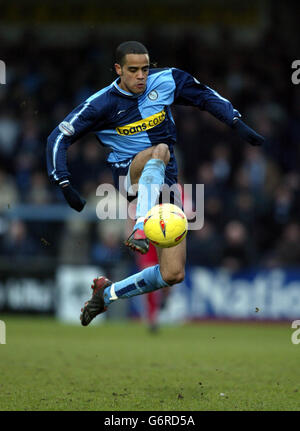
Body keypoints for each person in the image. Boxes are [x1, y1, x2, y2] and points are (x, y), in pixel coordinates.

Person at [46, 41, 265, 326]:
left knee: (173, 273)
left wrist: (235, 122)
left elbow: (204, 96)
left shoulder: (167, 80)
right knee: (160, 149)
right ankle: (140, 227)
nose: (141, 76)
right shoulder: (100, 104)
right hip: (130, 175)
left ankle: (107, 294)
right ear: (118, 70)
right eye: (133, 70)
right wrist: (63, 182)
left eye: (145, 69)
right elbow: (58, 138)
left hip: (167, 184)